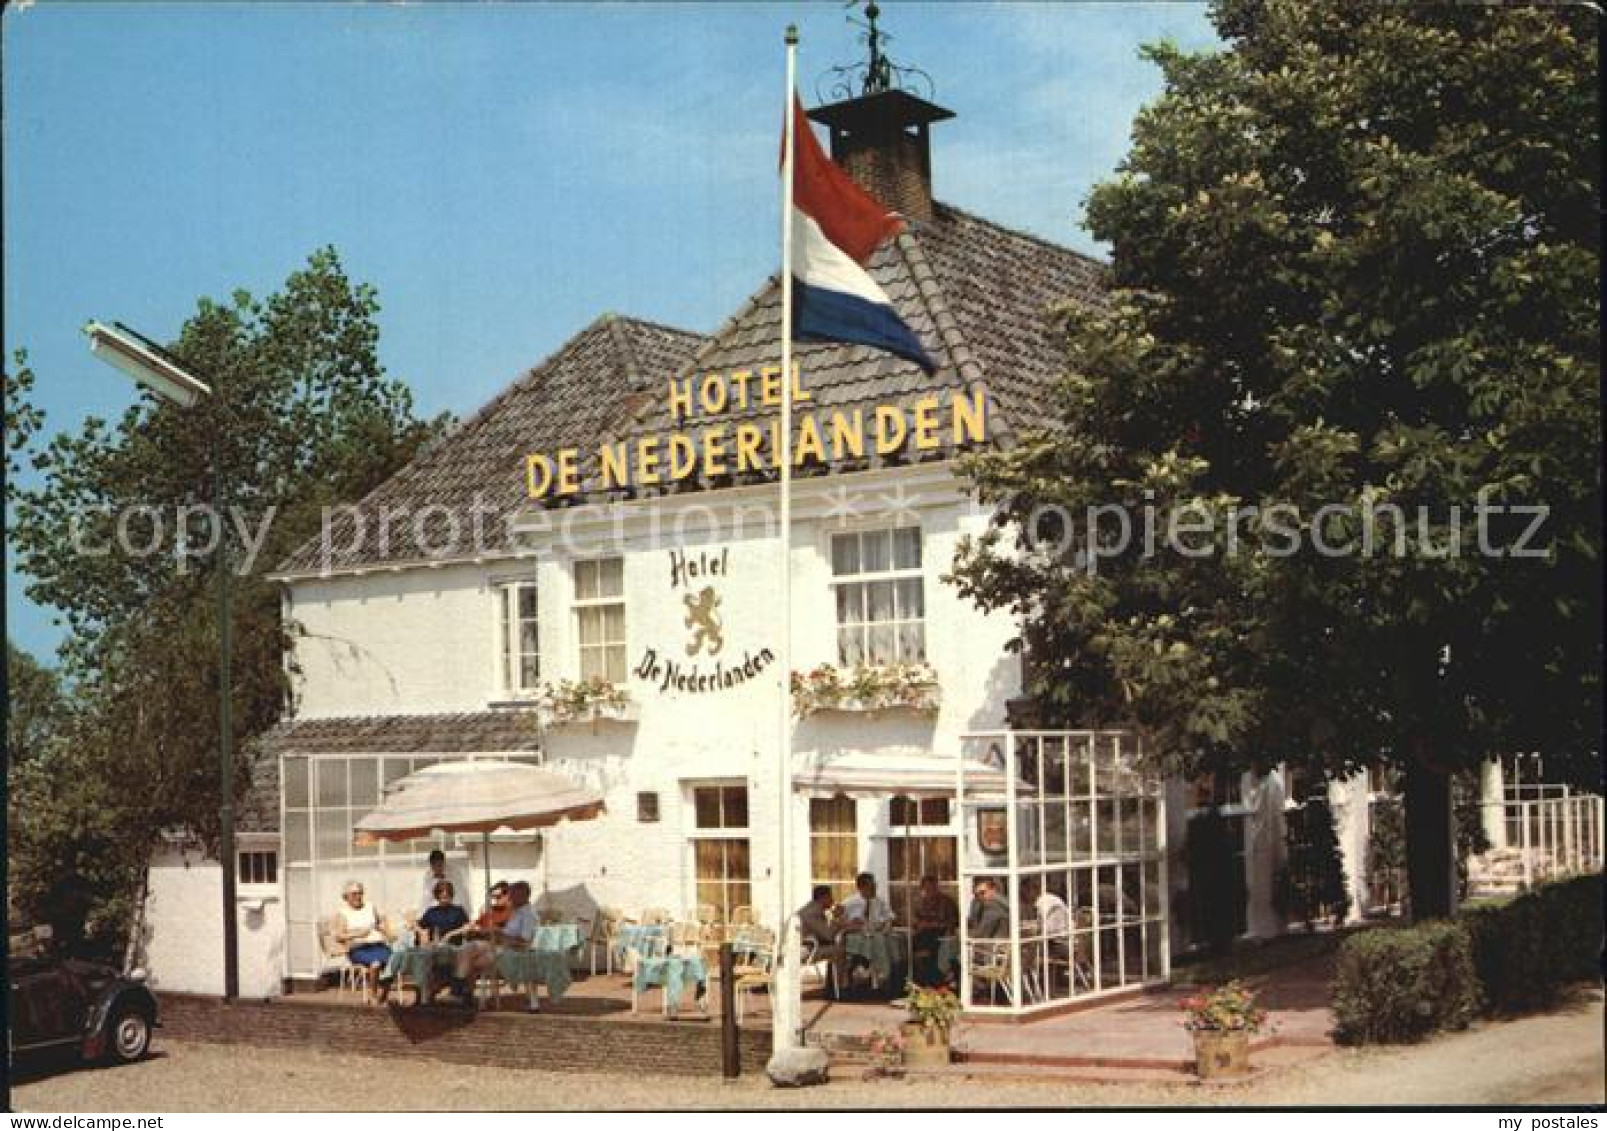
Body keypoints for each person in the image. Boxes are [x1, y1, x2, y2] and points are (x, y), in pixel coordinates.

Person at [335, 880, 395, 1003]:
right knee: (376, 964)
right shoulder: (343, 913)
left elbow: (378, 924)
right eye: (354, 894)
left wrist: (389, 934)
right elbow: (339, 936)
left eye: (360, 893)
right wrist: (357, 934)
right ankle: (373, 994)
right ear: (346, 897)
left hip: (378, 945)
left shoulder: (370, 906)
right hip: (358, 948)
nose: (358, 897)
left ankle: (384, 993)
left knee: (396, 960)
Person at [418, 879, 473, 1004]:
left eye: (447, 897)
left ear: (451, 896)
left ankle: (442, 989)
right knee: (424, 955)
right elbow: (419, 926)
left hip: (454, 947)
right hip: (435, 947)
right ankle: (425, 991)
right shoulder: (431, 912)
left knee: (441, 954)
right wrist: (422, 934)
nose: (444, 900)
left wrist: (451, 934)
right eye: (441, 897)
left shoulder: (458, 911)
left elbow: (468, 927)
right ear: (437, 897)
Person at [795, 884, 846, 996]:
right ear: (823, 898)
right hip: (803, 951)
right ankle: (840, 988)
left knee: (834, 948)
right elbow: (828, 935)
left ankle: (832, 985)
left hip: (807, 946)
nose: (833, 900)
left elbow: (823, 932)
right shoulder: (813, 912)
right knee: (840, 950)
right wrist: (836, 918)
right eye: (830, 897)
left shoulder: (811, 908)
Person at [911, 875, 959, 986]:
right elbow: (915, 921)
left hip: (941, 935)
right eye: (925, 889)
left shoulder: (947, 902)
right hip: (922, 935)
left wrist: (931, 924)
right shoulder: (920, 903)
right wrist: (918, 924)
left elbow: (953, 922)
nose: (929, 891)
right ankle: (923, 983)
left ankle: (936, 983)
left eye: (931, 888)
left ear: (936, 887)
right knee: (915, 950)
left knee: (931, 952)